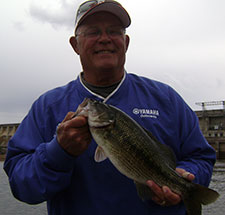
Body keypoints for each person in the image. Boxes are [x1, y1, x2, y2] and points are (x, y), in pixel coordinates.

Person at [4, 0, 216, 214]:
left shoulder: (167, 99)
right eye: (93, 32)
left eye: (114, 31)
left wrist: (188, 175)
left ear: (126, 42)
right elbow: (22, 187)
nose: (104, 39)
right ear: (75, 45)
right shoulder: (47, 107)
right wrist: (59, 152)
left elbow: (201, 156)